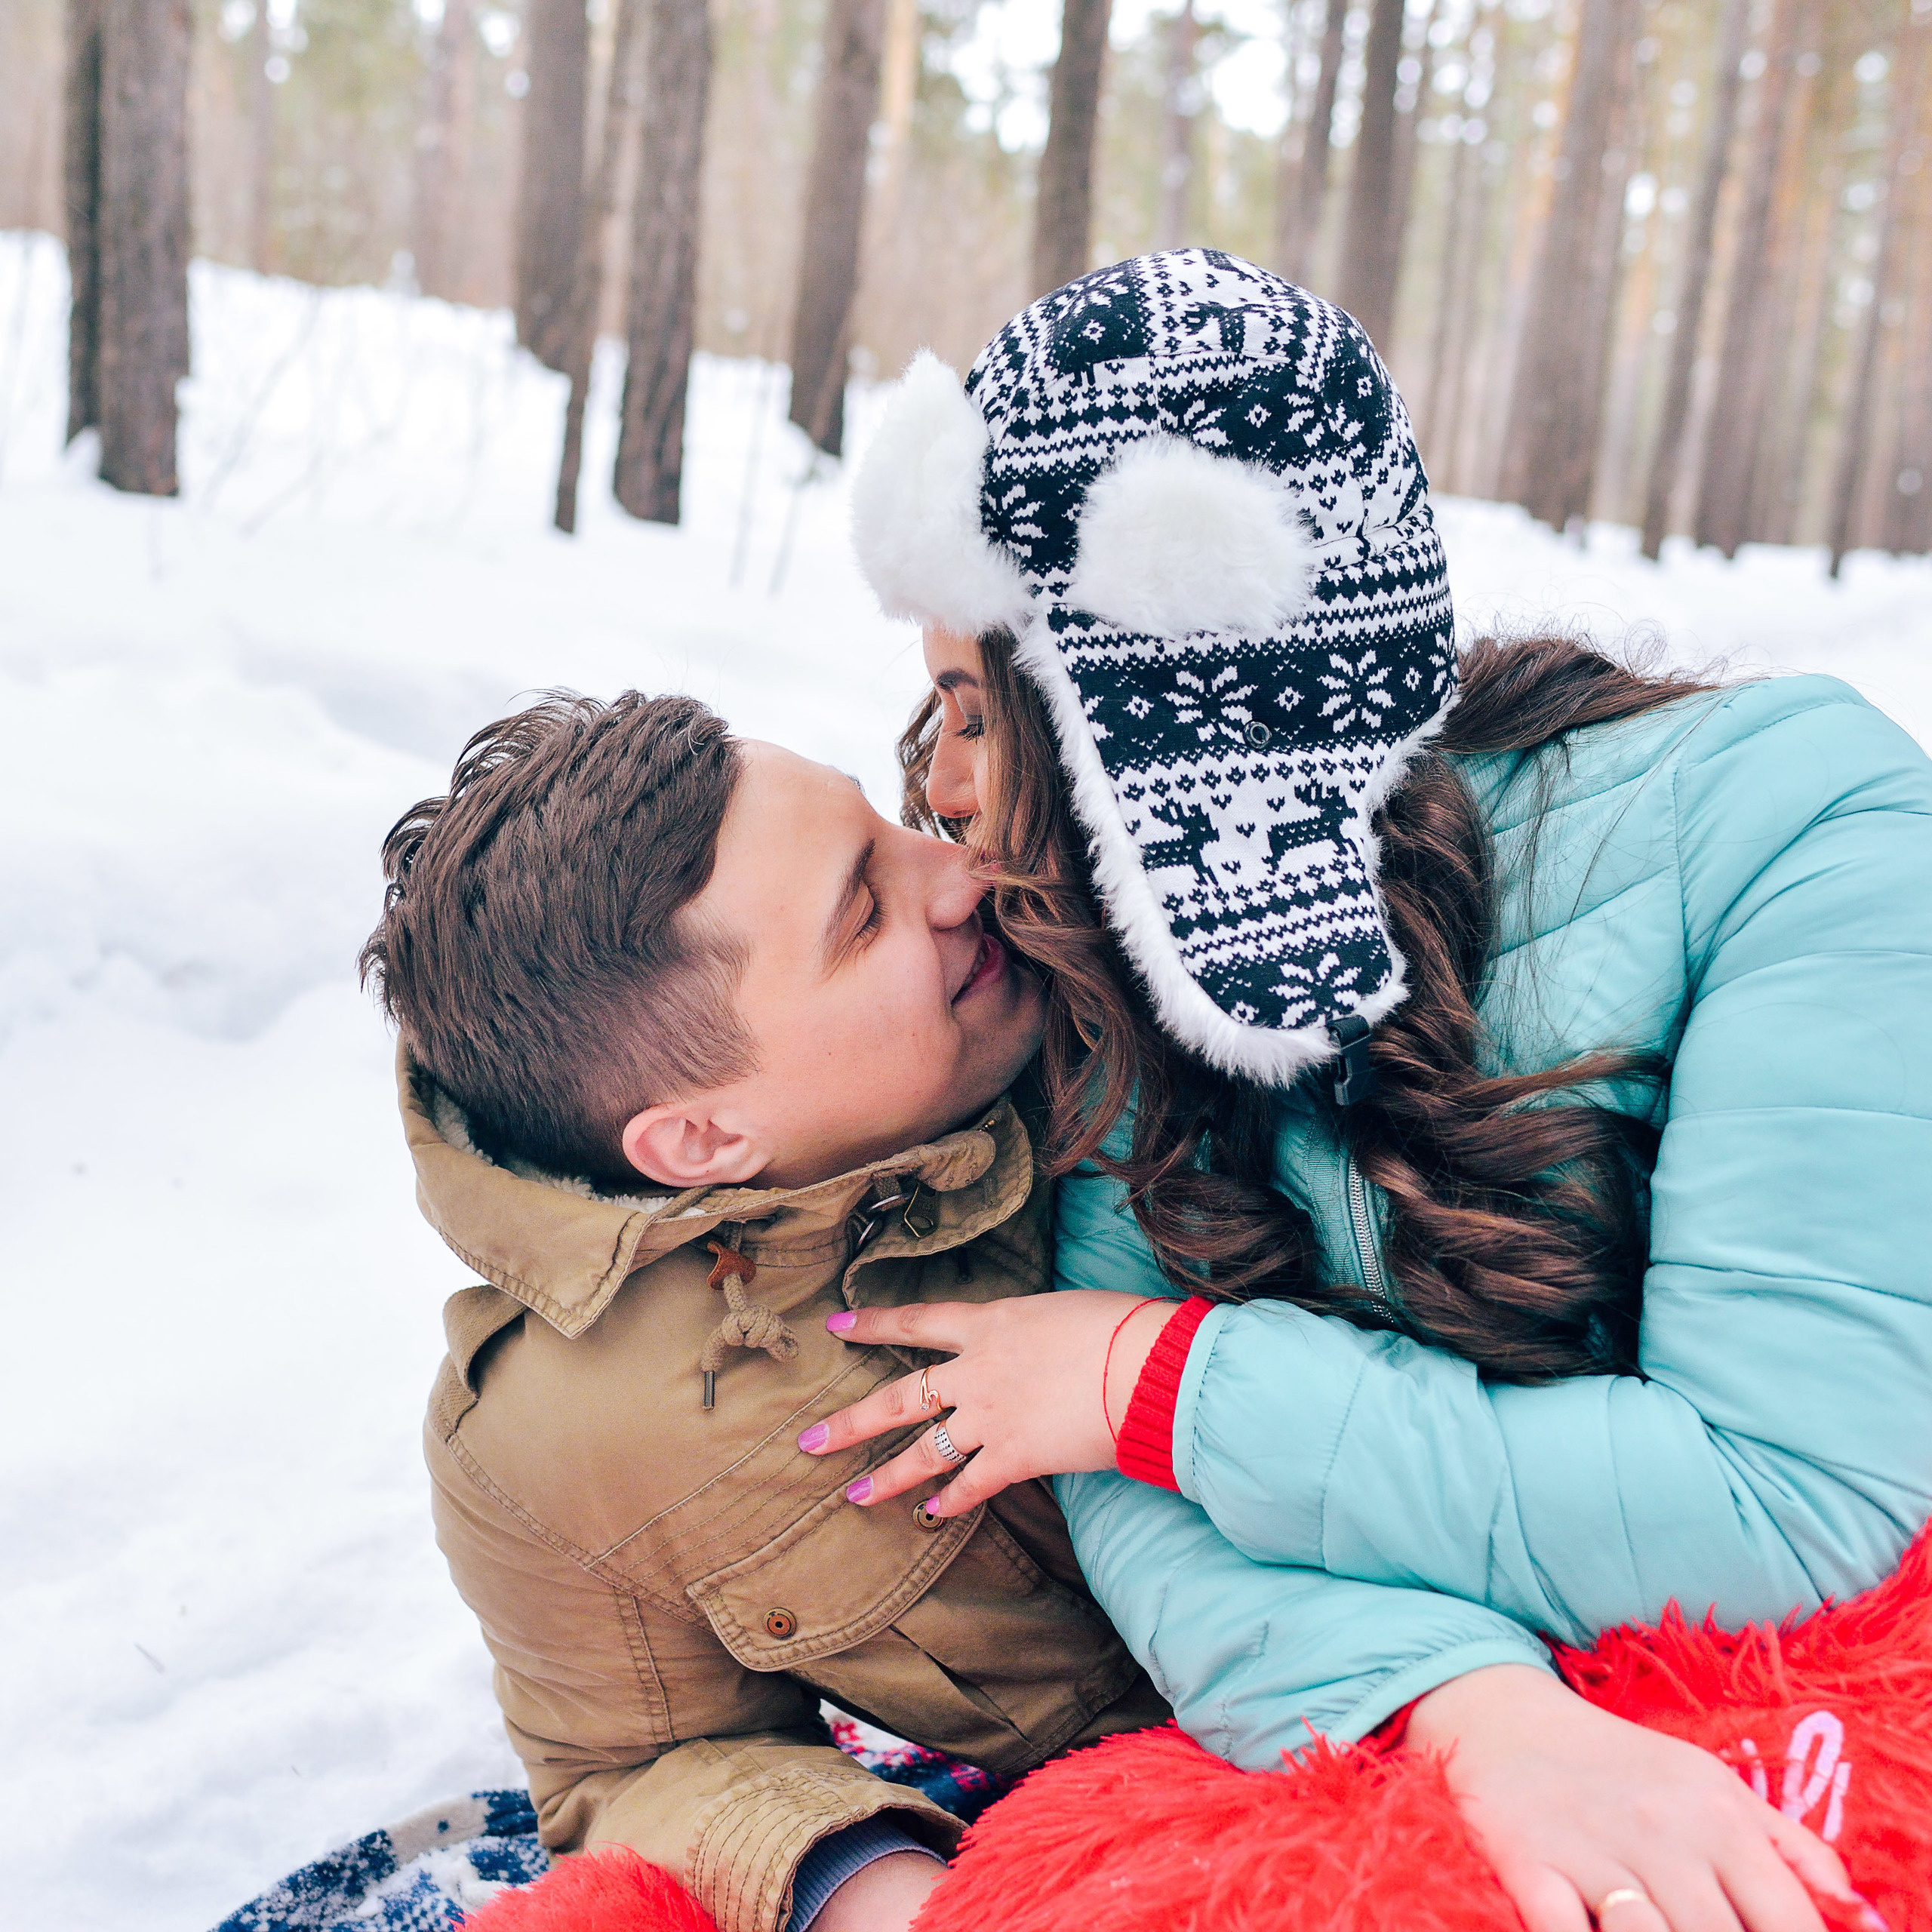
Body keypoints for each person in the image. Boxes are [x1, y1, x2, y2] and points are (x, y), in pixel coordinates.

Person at [811, 250, 1932, 1931]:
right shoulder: (1129, 959)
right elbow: (1126, 1497)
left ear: (1162, 708)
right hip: (1515, 1674)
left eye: (973, 713)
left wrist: (1162, 1381)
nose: (945, 797)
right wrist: (1465, 1703)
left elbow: (1791, 1499)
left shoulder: (1801, 831)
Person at [358, 693, 1169, 1932]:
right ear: (701, 1138)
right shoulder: (562, 1440)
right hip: (1144, 1818)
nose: (961, 872)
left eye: (886, 834)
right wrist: (861, 1886)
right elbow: (629, 1769)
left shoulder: (1154, 986)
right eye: (867, 914)